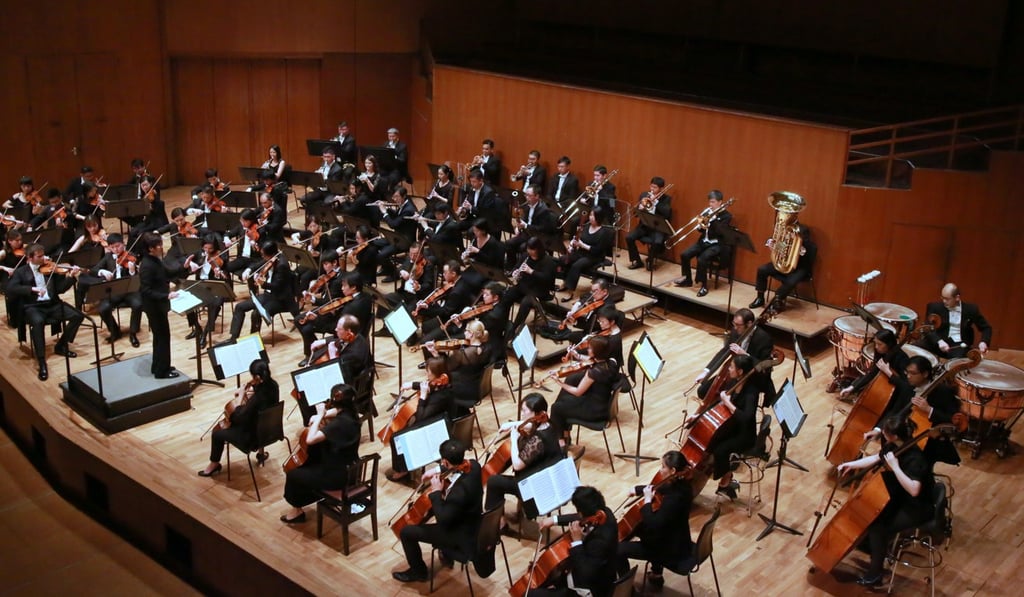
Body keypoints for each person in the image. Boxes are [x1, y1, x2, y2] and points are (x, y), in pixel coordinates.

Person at [838, 416, 935, 587]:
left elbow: (914, 490)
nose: (882, 433)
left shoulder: (915, 458)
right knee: (871, 513)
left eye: (885, 432)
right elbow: (877, 458)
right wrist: (851, 464)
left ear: (894, 436)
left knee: (878, 526)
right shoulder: (894, 446)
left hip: (917, 507)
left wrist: (895, 466)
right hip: (899, 497)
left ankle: (875, 574)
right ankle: (875, 548)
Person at [392, 438, 482, 583]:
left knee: (407, 532)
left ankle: (418, 572)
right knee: (434, 507)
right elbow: (455, 467)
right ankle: (445, 553)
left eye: (442, 462)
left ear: (445, 461)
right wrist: (435, 470)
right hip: (474, 523)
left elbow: (443, 520)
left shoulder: (458, 493)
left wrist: (436, 492)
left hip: (460, 534)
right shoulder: (475, 467)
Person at [280, 383, 362, 524]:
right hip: (351, 471)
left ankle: (297, 511)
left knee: (294, 474)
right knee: (312, 462)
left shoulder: (339, 424)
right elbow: (337, 412)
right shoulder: (353, 414)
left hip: (336, 477)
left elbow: (310, 439)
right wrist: (324, 414)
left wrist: (319, 416)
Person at [5, 243, 85, 381]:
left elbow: (60, 289)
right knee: (38, 322)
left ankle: (61, 345)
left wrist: (71, 277)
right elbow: (10, 289)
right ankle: (41, 360)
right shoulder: (21, 272)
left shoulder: (51, 269)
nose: (43, 258)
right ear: (30, 258)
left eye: (43, 255)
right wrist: (32, 289)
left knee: (78, 316)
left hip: (52, 304)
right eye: (39, 256)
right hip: (33, 306)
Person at [616, 451, 695, 589]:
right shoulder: (683, 485)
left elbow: (654, 524)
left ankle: (626, 588)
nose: (660, 469)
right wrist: (638, 489)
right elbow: (660, 488)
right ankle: (656, 574)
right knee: (640, 526)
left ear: (673, 471)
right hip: (680, 539)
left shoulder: (674, 498)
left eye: (663, 466)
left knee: (618, 549)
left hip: (669, 550)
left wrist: (647, 502)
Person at [867, 355, 962, 466]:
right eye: (907, 372)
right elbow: (895, 412)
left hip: (928, 439)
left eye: (913, 373)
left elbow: (953, 420)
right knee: (888, 439)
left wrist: (929, 409)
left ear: (925, 374)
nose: (908, 376)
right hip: (904, 435)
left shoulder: (942, 392)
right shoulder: (908, 387)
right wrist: (878, 429)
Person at [687, 355, 760, 499]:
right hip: (730, 426)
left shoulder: (751, 392)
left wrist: (728, 402)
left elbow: (746, 418)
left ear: (740, 371)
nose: (729, 369)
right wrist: (698, 416)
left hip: (744, 434)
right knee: (711, 440)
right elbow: (716, 404)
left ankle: (726, 480)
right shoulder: (733, 381)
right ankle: (722, 476)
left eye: (732, 367)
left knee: (720, 450)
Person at [198, 359, 280, 477]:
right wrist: (252, 387)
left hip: (251, 438)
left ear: (257, 377)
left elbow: (237, 417)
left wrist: (240, 397)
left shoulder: (257, 399)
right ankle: (261, 454)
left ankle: (214, 464)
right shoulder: (273, 386)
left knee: (217, 434)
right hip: (270, 431)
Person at [533, 486, 618, 597]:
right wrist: (554, 520)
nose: (578, 514)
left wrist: (577, 541)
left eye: (579, 511)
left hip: (591, 589)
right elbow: (580, 518)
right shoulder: (605, 513)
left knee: (531, 594)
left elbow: (585, 573)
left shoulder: (600, 542)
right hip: (598, 572)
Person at [483, 393, 562, 512]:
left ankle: (500, 524)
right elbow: (531, 424)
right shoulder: (548, 424)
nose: (521, 414)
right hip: (547, 478)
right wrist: (512, 424)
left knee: (494, 482)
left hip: (535, 486)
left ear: (536, 413)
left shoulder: (538, 440)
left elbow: (517, 465)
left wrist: (514, 440)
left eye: (524, 411)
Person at [386, 358, 457, 482]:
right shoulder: (445, 381)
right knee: (406, 424)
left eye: (428, 372)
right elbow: (430, 384)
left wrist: (423, 397)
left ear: (438, 375)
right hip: (438, 418)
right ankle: (407, 462)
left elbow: (420, 418)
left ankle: (402, 470)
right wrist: (412, 385)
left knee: (395, 437)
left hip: (437, 427)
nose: (426, 375)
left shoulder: (441, 396)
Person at [547, 336, 621, 446]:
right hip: (603, 404)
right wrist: (577, 355)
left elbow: (578, 392)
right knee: (564, 398)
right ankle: (565, 435)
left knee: (556, 408)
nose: (588, 350)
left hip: (594, 411)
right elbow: (590, 360)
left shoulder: (594, 372)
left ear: (597, 352)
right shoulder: (611, 362)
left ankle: (560, 442)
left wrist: (559, 382)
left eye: (590, 348)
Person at [224, 241, 298, 344]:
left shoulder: (282, 265)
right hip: (268, 295)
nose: (262, 256)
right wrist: (249, 269)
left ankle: (253, 340)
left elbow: (277, 287)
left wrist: (262, 284)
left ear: (271, 254)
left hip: (279, 299)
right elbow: (259, 263)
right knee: (239, 307)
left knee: (256, 313)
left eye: (263, 254)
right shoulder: (271, 258)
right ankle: (233, 338)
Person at [694, 308, 774, 400]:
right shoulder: (736, 331)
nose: (735, 328)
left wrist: (745, 355)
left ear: (749, 324)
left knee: (730, 398)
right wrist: (706, 372)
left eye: (738, 325)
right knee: (703, 391)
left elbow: (765, 367)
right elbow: (724, 351)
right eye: (734, 324)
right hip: (734, 374)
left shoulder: (764, 339)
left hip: (752, 377)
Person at [421, 320, 492, 418]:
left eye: (466, 331)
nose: (464, 333)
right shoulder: (487, 349)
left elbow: (445, 369)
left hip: (462, 389)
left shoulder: (462, 354)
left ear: (471, 334)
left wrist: (435, 353)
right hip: (476, 387)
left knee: (439, 385)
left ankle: (441, 415)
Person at [674, 189, 732, 297]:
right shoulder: (707, 212)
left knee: (702, 259)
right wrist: (701, 225)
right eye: (710, 202)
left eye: (713, 202)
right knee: (684, 254)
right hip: (704, 241)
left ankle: (704, 286)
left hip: (716, 244)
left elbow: (720, 232)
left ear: (720, 202)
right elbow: (700, 230)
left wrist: (713, 220)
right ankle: (687, 279)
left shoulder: (726, 216)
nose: (711, 204)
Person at [138, 232, 182, 378]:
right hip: (154, 307)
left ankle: (158, 365)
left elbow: (167, 273)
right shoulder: (147, 266)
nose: (161, 248)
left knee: (160, 337)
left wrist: (185, 267)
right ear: (150, 248)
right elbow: (146, 291)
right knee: (162, 337)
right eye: (159, 246)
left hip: (158, 305)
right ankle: (162, 371)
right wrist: (166, 295)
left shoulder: (155, 260)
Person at [90, 233, 142, 347]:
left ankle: (133, 333)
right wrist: (102, 272)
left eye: (118, 246)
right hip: (114, 292)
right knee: (102, 308)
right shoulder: (108, 257)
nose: (115, 249)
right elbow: (94, 270)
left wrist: (132, 271)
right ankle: (115, 331)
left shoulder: (131, 256)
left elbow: (137, 278)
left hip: (129, 291)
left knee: (138, 304)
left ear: (123, 244)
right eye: (112, 247)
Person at [749, 226, 817, 311]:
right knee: (762, 269)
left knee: (791, 281)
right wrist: (774, 246)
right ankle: (760, 298)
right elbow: (778, 249)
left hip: (800, 268)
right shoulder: (788, 242)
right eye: (792, 235)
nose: (792, 237)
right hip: (784, 264)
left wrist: (802, 252)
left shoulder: (811, 247)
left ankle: (778, 299)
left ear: (804, 237)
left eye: (795, 235)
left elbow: (808, 263)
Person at [919, 282, 992, 359]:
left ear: (957, 298)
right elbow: (927, 328)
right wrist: (939, 341)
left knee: (956, 363)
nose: (944, 301)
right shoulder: (934, 307)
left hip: (958, 345)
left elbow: (986, 328)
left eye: (947, 299)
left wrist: (984, 342)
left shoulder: (971, 309)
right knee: (915, 349)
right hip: (939, 340)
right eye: (942, 298)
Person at [556, 206, 615, 301]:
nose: (590, 217)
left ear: (599, 218)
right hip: (581, 253)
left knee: (576, 266)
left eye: (593, 215)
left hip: (594, 256)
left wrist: (582, 245)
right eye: (590, 215)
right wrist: (572, 245)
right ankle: (565, 283)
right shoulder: (586, 226)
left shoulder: (604, 232)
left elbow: (597, 250)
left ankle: (570, 291)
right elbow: (578, 239)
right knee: (563, 259)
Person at [503, 236, 557, 332]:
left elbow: (547, 279)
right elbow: (516, 266)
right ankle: (503, 321)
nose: (529, 251)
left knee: (525, 303)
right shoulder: (525, 256)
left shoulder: (548, 261)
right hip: (524, 285)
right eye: (528, 249)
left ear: (538, 249)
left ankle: (515, 327)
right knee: (507, 295)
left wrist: (531, 271)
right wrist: (515, 271)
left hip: (539, 289)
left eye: (532, 249)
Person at [839, 329, 909, 400]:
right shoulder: (880, 353)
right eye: (875, 343)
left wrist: (888, 372)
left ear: (889, 344)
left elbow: (905, 386)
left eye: (879, 344)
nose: (876, 347)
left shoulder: (902, 358)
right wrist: (852, 387)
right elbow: (872, 372)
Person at [626, 176, 673, 271]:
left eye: (655, 187)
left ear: (661, 188)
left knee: (657, 242)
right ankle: (637, 260)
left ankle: (650, 260)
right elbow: (635, 214)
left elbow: (667, 213)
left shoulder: (666, 199)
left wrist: (656, 202)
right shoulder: (644, 195)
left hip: (658, 228)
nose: (652, 189)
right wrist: (639, 209)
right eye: (651, 186)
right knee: (629, 237)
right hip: (644, 226)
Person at [506, 184, 557, 264]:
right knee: (509, 243)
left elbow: (542, 228)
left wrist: (526, 225)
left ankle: (521, 268)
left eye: (529, 195)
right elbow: (524, 218)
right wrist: (517, 227)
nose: (527, 197)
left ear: (537, 196)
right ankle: (511, 266)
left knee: (523, 247)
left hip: (536, 237)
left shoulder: (544, 211)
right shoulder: (527, 205)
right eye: (526, 195)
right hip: (526, 233)